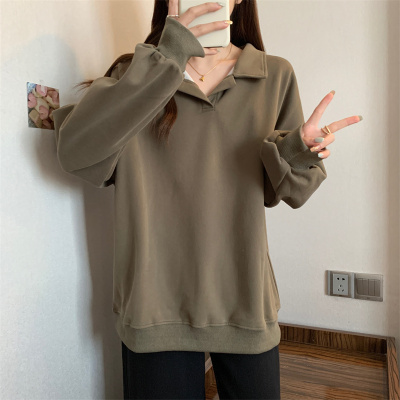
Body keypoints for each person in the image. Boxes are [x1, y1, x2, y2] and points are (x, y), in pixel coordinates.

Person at [52, 0, 363, 398]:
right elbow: (76, 155)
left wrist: (297, 151)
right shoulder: (136, 74)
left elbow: (287, 191)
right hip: (154, 304)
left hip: (243, 297)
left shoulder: (274, 75)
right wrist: (168, 57)